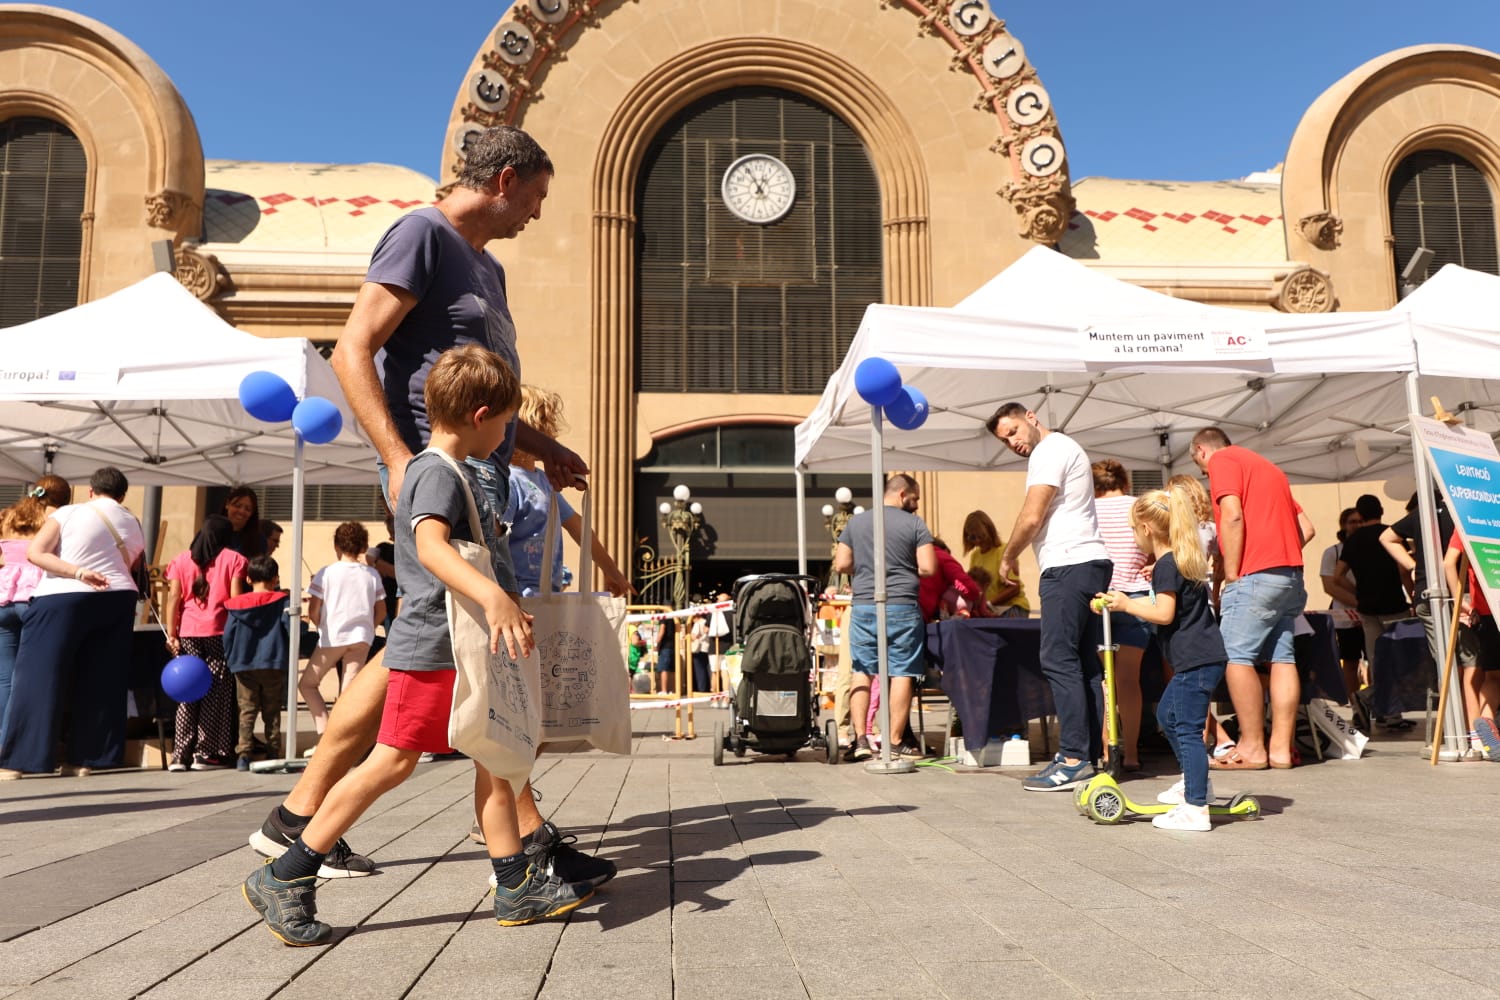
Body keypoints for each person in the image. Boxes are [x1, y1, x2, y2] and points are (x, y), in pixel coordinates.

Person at [254, 124, 605, 884]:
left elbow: (488, 393)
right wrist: (397, 460)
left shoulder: (488, 267)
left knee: (417, 652)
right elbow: (351, 349)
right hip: (436, 488)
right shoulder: (422, 236)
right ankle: (522, 843)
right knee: (464, 650)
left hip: (482, 487)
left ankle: (299, 815)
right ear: (505, 180)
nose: (537, 213)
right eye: (536, 196)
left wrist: (540, 447)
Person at [241, 344, 595, 946]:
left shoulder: (467, 470)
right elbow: (431, 548)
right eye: (506, 423)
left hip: (466, 645)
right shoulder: (435, 473)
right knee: (391, 763)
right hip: (432, 645)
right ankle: (286, 874)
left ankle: (515, 884)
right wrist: (494, 598)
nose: (508, 436)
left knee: (497, 759)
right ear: (480, 416)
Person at [987, 403, 1112, 791]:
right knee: (1083, 664)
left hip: (1068, 565)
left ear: (1031, 416)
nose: (1012, 442)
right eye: (1004, 440)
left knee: (1058, 659)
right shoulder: (1063, 448)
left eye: (1012, 431)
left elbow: (1031, 516)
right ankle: (1088, 757)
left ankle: (1073, 758)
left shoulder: (1049, 450)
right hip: (1087, 562)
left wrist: (1008, 556)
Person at [1094, 482, 1227, 832]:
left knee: (1187, 729)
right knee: (1168, 715)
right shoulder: (1173, 562)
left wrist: (1126, 603)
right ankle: (1195, 785)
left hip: (1197, 660)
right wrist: (1148, 588)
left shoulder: (1168, 564)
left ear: (1146, 528)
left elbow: (1164, 614)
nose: (1133, 537)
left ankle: (1196, 807)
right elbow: (1173, 602)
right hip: (1198, 659)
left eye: (1132, 530)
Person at [0, 467, 144, 779]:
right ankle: (85, 760)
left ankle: (19, 762)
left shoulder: (68, 513)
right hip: (119, 597)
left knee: (39, 676)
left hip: (63, 595)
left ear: (91, 491)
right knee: (102, 680)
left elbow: (35, 553)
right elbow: (132, 561)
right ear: (122, 495)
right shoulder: (133, 521)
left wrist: (78, 572)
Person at [1191, 427, 1313, 772]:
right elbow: (1307, 528)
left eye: (1201, 467)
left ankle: (1252, 747)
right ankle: (1280, 750)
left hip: (1254, 576)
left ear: (1201, 450)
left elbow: (1232, 514)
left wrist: (1232, 572)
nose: (1206, 474)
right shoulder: (1269, 469)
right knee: (1282, 659)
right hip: (1289, 574)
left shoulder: (1223, 461)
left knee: (1236, 658)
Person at [831, 473, 937, 761]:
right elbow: (928, 567)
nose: (916, 505)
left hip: (865, 605)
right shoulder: (915, 524)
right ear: (902, 494)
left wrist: (869, 567)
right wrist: (902, 568)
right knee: (902, 671)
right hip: (902, 605)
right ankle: (894, 741)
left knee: (862, 670)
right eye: (914, 498)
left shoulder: (856, 522)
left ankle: (860, 740)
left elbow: (842, 564)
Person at [503, 385, 632, 598]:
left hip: (544, 594)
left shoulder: (543, 480)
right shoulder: (509, 479)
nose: (553, 429)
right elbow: (495, 540)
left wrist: (611, 570)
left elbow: (579, 527)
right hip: (517, 595)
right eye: (547, 421)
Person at [163, 514, 248, 770]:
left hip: (187, 632)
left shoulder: (180, 560)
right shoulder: (235, 559)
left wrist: (171, 634)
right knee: (216, 691)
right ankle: (206, 752)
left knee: (187, 691)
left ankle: (180, 754)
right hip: (219, 632)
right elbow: (235, 600)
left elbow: (174, 598)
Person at [1091, 459, 1152, 771]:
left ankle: (1106, 750)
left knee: (1105, 681)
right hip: (1135, 598)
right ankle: (1131, 754)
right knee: (1129, 681)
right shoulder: (1139, 507)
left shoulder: (1088, 509)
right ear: (1124, 482)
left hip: (1099, 599)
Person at [1334, 494, 1413, 729]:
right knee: (1399, 661)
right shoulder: (1392, 534)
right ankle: (1385, 710)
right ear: (1381, 510)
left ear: (1360, 514)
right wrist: (1412, 593)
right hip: (1394, 605)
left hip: (1367, 609)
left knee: (1377, 660)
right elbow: (1403, 570)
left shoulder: (1353, 540)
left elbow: (1338, 576)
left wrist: (1358, 592)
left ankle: (1381, 709)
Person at [300, 522, 386, 736]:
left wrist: (321, 626)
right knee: (348, 694)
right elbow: (381, 611)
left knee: (308, 684)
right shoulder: (372, 575)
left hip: (333, 636)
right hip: (362, 638)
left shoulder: (326, 573)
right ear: (363, 546)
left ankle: (325, 731)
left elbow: (313, 609)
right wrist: (369, 628)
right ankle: (343, 738)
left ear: (336, 545)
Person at [0, 480, 67, 745]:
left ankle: (2, 741)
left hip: (3, 597)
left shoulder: (8, 515)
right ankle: (21, 742)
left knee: (4, 679)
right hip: (35, 597)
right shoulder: (56, 520)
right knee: (32, 677)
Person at [224, 555, 291, 770]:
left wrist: (231, 658)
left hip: (243, 662)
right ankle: (273, 750)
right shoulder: (282, 601)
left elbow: (228, 635)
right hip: (273, 661)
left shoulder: (236, 605)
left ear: (248, 579)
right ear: (275, 578)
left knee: (247, 709)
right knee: (272, 710)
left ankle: (244, 754)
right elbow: (290, 628)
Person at [1443, 533, 1500, 759]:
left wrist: (1460, 602)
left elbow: (1449, 562)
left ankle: (1487, 720)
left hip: (1487, 610)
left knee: (1493, 677)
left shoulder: (1471, 519)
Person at [1319, 506, 1366, 703]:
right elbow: (1330, 585)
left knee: (1376, 660)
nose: (1357, 525)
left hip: (1371, 615)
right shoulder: (1333, 552)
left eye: (1360, 521)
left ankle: (1376, 703)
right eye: (1352, 521)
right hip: (1346, 617)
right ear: (1343, 525)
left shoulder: (1371, 547)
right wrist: (1359, 604)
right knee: (1350, 661)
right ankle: (1354, 703)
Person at [961, 510, 1029, 617]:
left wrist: (988, 604)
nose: (977, 541)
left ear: (989, 531)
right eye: (972, 537)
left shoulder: (1004, 551)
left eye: (981, 536)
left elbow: (1014, 588)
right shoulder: (975, 556)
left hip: (1011, 607)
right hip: (991, 609)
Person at [917, 539, 984, 621]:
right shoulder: (941, 555)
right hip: (917, 610)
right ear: (945, 550)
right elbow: (962, 583)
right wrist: (975, 595)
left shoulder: (914, 557)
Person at [366, 512, 399, 633]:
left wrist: (376, 563)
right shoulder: (385, 550)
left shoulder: (415, 551)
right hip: (390, 607)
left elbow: (400, 574)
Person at [221, 487, 267, 559]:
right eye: (237, 506)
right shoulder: (212, 535)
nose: (242, 511)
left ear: (252, 513)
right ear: (227, 504)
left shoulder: (259, 541)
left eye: (248, 509)